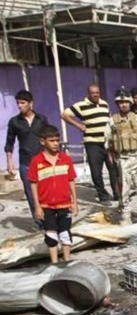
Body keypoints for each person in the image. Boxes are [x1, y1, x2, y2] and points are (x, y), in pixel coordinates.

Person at [27, 125, 77, 263]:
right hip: (46, 205)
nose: (56, 143)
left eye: (57, 140)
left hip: (64, 203)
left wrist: (74, 202)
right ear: (43, 141)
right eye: (52, 141)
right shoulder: (36, 161)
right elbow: (33, 184)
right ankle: (54, 263)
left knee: (65, 233)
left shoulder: (65, 159)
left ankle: (67, 261)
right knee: (51, 235)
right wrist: (37, 206)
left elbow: (71, 181)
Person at [104, 87, 137, 222]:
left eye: (126, 101)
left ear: (130, 103)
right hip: (122, 159)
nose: (123, 104)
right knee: (124, 191)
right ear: (117, 104)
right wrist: (110, 157)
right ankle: (125, 218)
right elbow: (107, 141)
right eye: (120, 102)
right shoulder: (112, 121)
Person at [61, 84, 116, 204]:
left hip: (107, 143)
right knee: (96, 172)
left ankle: (117, 194)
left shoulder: (104, 104)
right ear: (88, 94)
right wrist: (78, 125)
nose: (96, 95)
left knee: (113, 169)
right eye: (93, 93)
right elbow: (64, 115)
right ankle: (103, 196)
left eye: (97, 93)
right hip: (92, 143)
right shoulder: (81, 105)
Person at [5, 90, 48, 229]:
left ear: (31, 103)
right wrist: (9, 162)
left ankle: (51, 221)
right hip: (26, 163)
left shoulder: (41, 119)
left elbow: (49, 137)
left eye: (22, 103)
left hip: (43, 162)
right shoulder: (14, 122)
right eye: (18, 103)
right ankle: (40, 224)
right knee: (31, 195)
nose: (19, 106)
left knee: (46, 192)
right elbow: (9, 143)